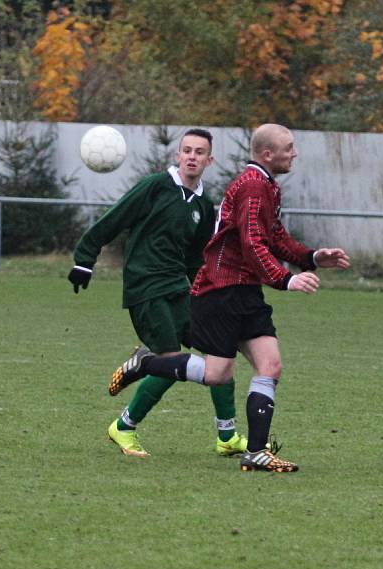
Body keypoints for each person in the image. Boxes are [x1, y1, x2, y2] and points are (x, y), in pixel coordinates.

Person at [107, 123, 351, 472]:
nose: (294, 153)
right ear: (268, 154)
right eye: (289, 147)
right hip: (221, 291)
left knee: (270, 365)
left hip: (245, 291)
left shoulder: (266, 185)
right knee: (217, 374)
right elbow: (253, 242)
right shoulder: (253, 187)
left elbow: (275, 237)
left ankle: (255, 452)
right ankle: (147, 363)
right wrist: (285, 279)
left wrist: (312, 257)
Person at [68, 128, 247, 458]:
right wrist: (84, 260)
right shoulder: (155, 187)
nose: (192, 156)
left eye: (199, 152)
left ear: (210, 160)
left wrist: (207, 293)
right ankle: (123, 426)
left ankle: (227, 436)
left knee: (220, 352)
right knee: (170, 361)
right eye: (187, 150)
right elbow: (114, 219)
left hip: (180, 287)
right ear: (177, 155)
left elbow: (197, 258)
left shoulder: (204, 206)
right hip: (145, 285)